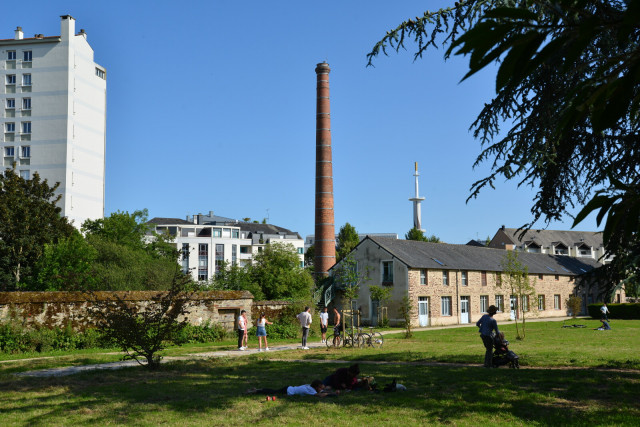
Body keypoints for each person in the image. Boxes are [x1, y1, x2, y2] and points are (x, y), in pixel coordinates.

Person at [246, 379, 336, 397]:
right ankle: (256, 391)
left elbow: (322, 390)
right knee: (273, 392)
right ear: (316, 387)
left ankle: (257, 390)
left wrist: (330, 390)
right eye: (320, 388)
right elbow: (320, 395)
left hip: (289, 388)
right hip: (288, 391)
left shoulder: (311, 386)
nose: (321, 389)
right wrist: (331, 394)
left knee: (274, 391)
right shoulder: (311, 390)